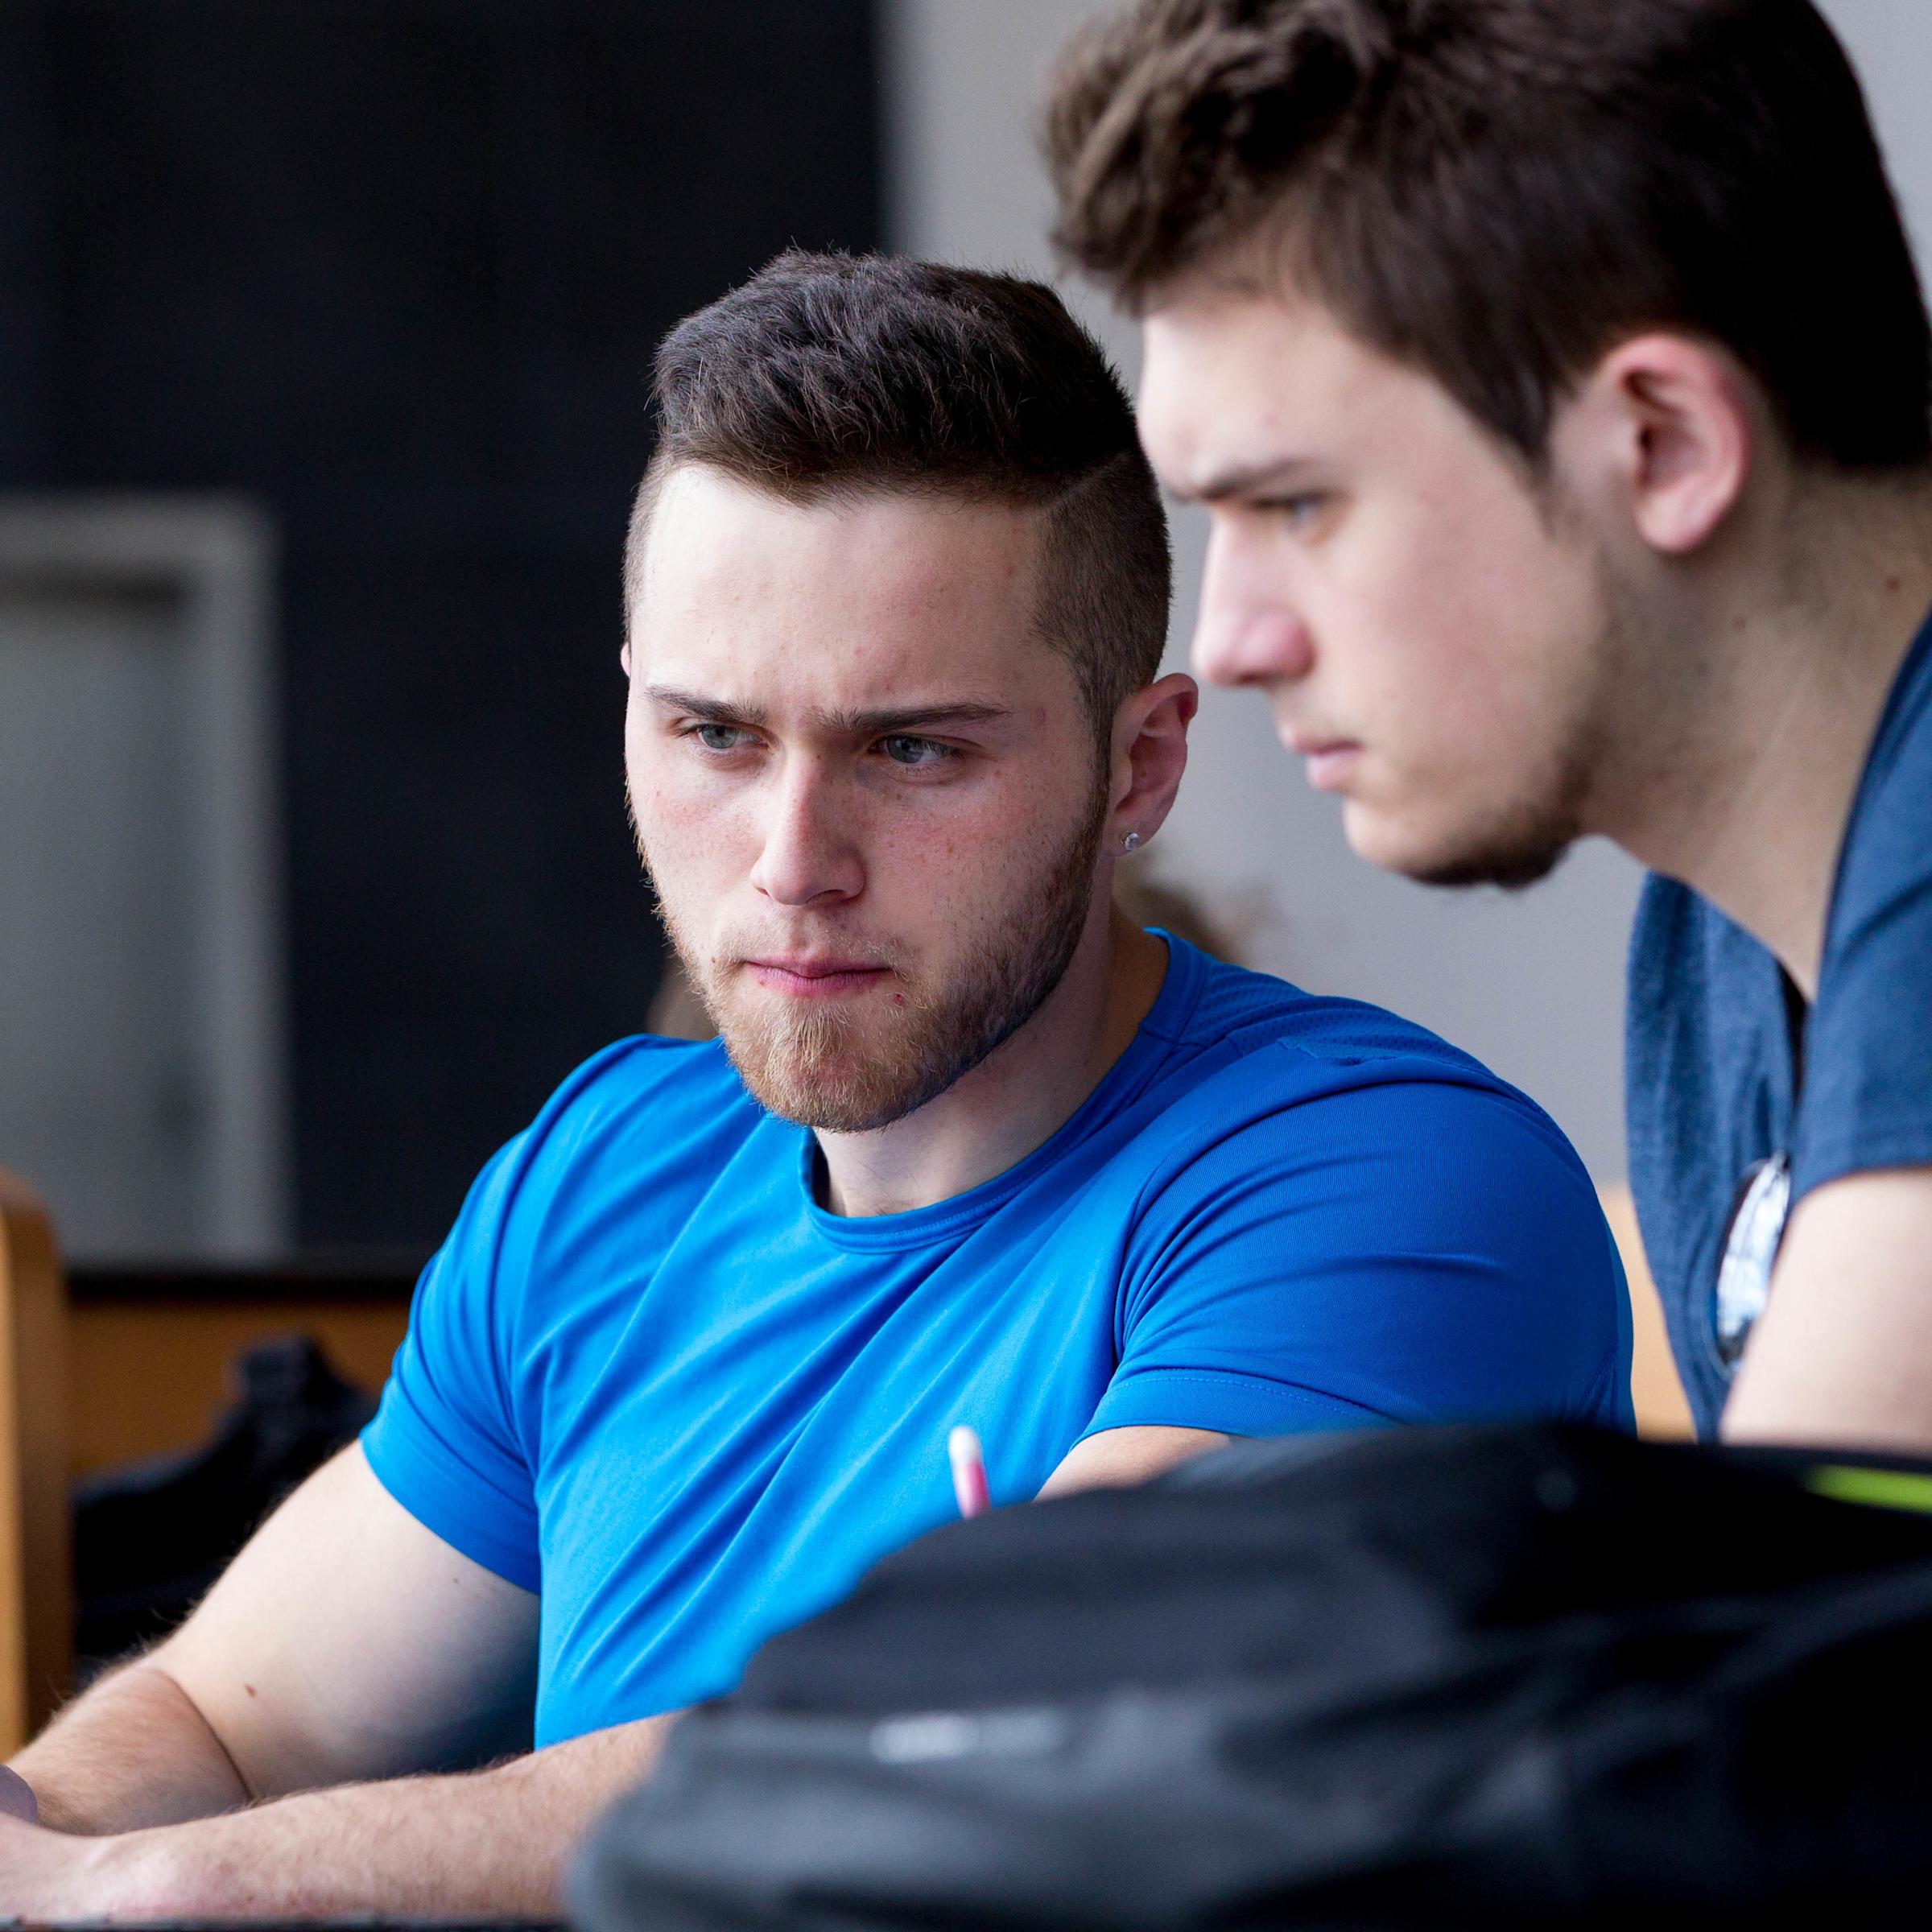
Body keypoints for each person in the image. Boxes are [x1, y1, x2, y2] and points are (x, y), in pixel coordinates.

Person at [0, 252, 1625, 1918]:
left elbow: (977, 1742)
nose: (793, 863)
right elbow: (228, 1721)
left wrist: (153, 1888)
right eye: (715, 736)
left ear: (1139, 767)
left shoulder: (1386, 1187)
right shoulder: (604, 1178)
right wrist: (48, 1845)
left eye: (913, 750)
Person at [1046, 0, 1932, 1455]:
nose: (1230, 644)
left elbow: (1802, 1605)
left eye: (1297, 504)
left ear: (1664, 445)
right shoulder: (1714, 945)